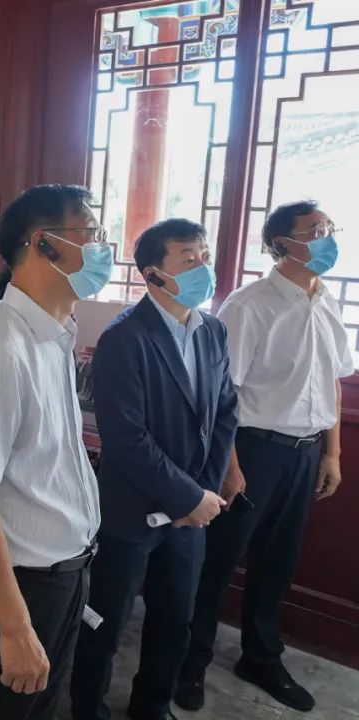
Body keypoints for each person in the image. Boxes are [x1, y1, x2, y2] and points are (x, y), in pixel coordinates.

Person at [0, 184, 108, 720]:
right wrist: (14, 628)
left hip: (57, 575)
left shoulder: (52, 336)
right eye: (90, 234)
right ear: (44, 244)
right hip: (13, 586)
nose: (103, 248)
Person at [175, 202, 352, 714]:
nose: (326, 238)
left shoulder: (327, 301)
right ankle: (190, 660)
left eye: (329, 228)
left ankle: (260, 656)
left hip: (305, 452)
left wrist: (333, 453)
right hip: (253, 451)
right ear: (281, 245)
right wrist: (230, 468)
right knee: (219, 561)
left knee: (278, 562)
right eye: (314, 231)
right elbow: (221, 395)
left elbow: (333, 381)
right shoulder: (249, 305)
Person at [68, 219, 238, 720]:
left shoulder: (212, 330)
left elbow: (225, 413)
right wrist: (188, 496)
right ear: (153, 275)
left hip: (192, 514)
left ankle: (153, 705)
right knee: (105, 620)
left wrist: (203, 494)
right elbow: (127, 439)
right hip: (131, 512)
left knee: (174, 619)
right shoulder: (124, 339)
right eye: (188, 258)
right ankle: (87, 707)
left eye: (204, 255)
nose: (203, 267)